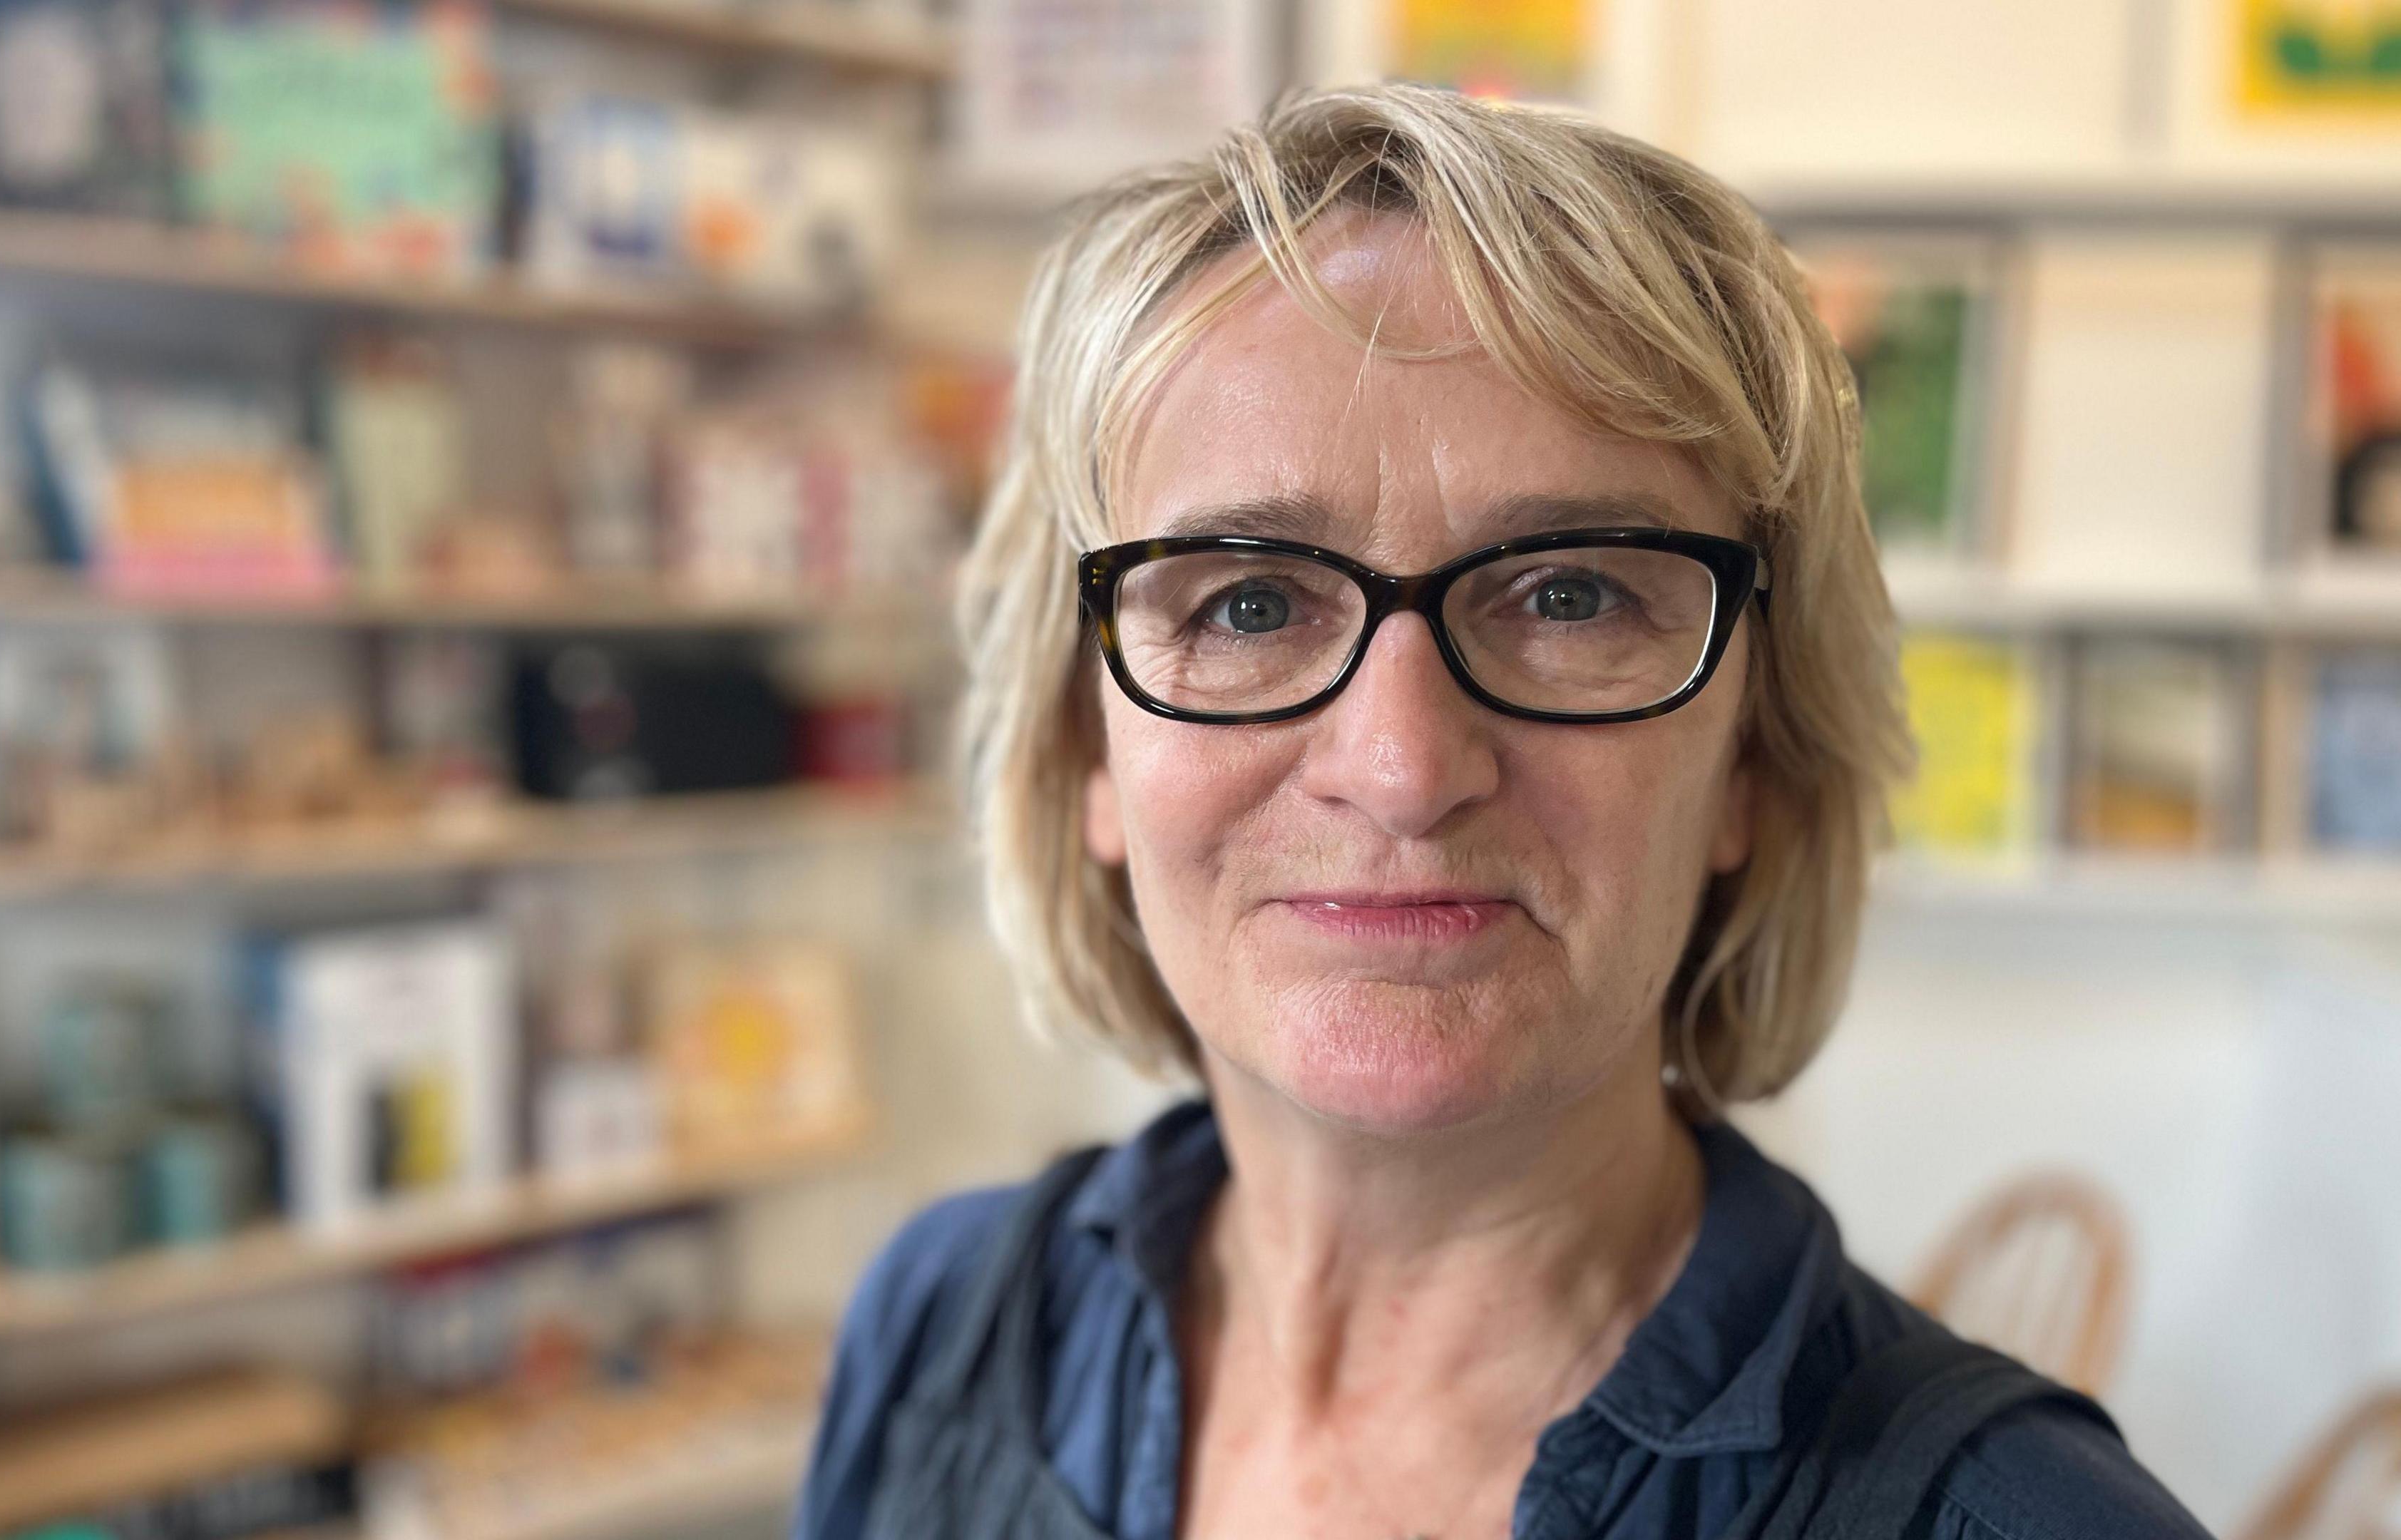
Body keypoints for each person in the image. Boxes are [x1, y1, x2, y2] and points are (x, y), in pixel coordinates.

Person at [795, 83, 2210, 1540]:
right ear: (1086, 748)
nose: (1403, 767)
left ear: (1754, 760)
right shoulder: (941, 1330)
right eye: (1251, 600)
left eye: (1571, 594)